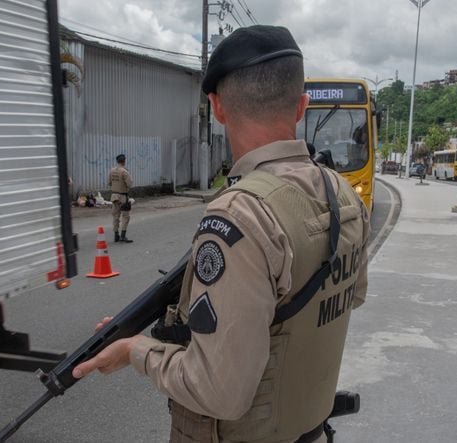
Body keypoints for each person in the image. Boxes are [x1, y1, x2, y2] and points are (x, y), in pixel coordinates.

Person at [72, 25, 370, 443]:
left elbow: (219, 393)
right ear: (301, 106)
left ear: (217, 107)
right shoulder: (342, 194)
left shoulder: (239, 215)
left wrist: (134, 351)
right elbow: (347, 297)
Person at [109, 154, 133, 243]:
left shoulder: (111, 171)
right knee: (126, 216)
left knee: (115, 216)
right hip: (123, 196)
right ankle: (123, 235)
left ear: (117, 161)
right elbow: (130, 184)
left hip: (114, 196)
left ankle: (116, 235)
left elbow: (109, 183)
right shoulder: (124, 171)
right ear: (124, 161)